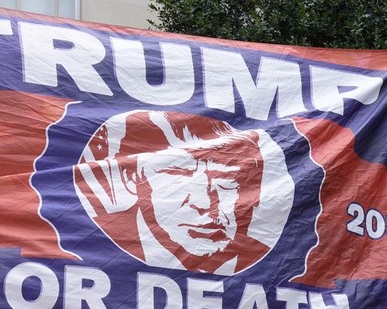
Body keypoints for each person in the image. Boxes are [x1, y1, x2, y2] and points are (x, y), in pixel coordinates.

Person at [75, 110, 291, 275]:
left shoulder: (275, 267)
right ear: (132, 180)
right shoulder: (93, 256)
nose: (205, 202)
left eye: (224, 181)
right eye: (180, 176)